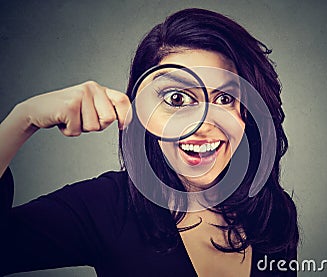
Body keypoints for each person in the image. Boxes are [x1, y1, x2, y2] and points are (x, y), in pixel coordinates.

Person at [0, 8, 299, 276]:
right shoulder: (110, 207)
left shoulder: (273, 212)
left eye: (224, 98)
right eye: (177, 98)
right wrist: (21, 119)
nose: (205, 125)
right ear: (143, 112)